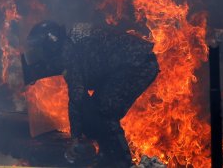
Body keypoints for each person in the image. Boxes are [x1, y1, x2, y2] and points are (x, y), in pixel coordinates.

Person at [22, 21, 159, 167]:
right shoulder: (70, 45)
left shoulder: (69, 54)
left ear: (50, 45)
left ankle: (121, 162)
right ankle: (107, 157)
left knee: (105, 112)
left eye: (39, 49)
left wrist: (75, 137)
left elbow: (77, 97)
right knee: (93, 112)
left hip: (137, 66)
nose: (38, 55)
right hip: (128, 66)